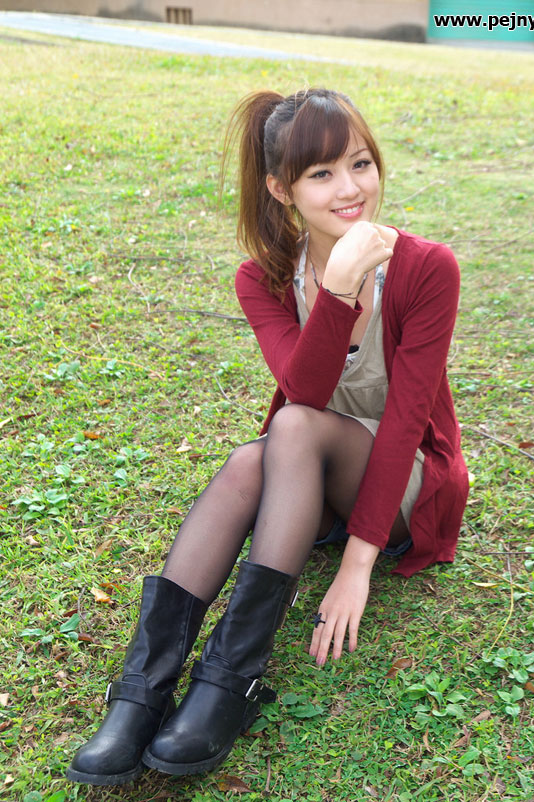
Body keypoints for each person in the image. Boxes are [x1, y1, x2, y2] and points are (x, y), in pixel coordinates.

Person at [66, 87, 469, 786]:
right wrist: (336, 290)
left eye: (361, 164)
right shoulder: (263, 279)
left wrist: (356, 567)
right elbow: (304, 387)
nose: (351, 189)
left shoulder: (427, 267)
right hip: (310, 466)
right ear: (282, 189)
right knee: (251, 461)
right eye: (322, 174)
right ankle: (142, 693)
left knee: (290, 426)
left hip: (407, 486)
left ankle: (229, 680)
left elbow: (404, 420)